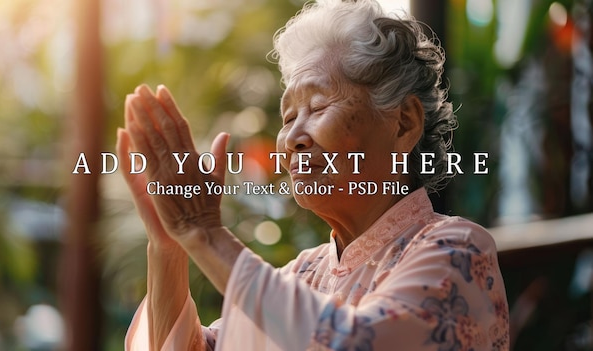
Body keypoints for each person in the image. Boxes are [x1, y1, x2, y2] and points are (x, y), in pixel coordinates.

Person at [118, 0, 510, 350]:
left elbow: (356, 342)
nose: (291, 139)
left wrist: (204, 232)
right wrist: (168, 246)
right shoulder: (301, 275)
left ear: (404, 123)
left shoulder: (455, 250)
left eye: (318, 107)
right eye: (289, 117)